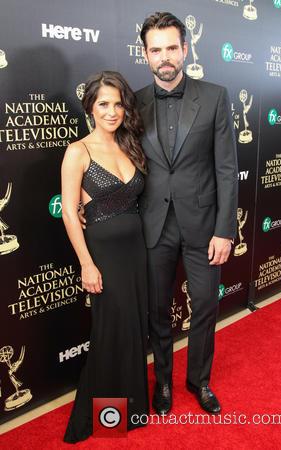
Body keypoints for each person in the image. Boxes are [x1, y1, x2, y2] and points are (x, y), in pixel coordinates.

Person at [135, 12, 238, 415]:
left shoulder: (215, 96)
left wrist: (225, 230)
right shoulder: (134, 102)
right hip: (153, 226)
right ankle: (162, 382)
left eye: (171, 48)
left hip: (204, 227)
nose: (165, 57)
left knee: (206, 305)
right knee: (157, 309)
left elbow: (226, 169)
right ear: (145, 54)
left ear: (185, 49)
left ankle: (199, 381)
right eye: (155, 49)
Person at [61, 71, 149, 443]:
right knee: (109, 333)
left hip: (136, 253)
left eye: (118, 103)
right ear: (90, 108)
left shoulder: (130, 145)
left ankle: (133, 410)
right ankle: (106, 417)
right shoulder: (78, 151)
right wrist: (86, 263)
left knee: (132, 332)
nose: (112, 111)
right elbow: (68, 210)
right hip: (103, 257)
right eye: (103, 104)